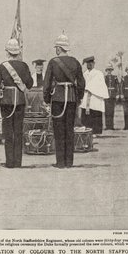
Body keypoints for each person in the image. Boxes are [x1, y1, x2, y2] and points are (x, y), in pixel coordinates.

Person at [43, 33, 85, 168]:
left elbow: (47, 84)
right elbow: (81, 84)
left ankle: (60, 162)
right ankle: (69, 162)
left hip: (58, 99)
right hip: (72, 98)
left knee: (59, 130)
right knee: (69, 130)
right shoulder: (76, 62)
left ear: (59, 49)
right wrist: (78, 97)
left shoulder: (53, 62)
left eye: (56, 47)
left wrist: (47, 99)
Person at [0, 39, 33, 168]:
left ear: (7, 52)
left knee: (8, 132)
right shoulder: (24, 66)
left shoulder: (3, 67)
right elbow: (30, 84)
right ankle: (18, 162)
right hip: (20, 101)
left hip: (7, 102)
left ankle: (10, 162)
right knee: (19, 131)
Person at [80, 56, 109, 136]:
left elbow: (100, 85)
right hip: (86, 96)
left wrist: (90, 88)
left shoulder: (98, 73)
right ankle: (87, 130)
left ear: (94, 64)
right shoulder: (85, 74)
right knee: (86, 113)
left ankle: (96, 131)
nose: (89, 65)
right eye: (88, 63)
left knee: (95, 113)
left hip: (95, 96)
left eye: (91, 63)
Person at [104, 62, 119, 130]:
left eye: (110, 70)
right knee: (107, 112)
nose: (109, 71)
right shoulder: (104, 78)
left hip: (112, 95)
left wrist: (117, 94)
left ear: (112, 70)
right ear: (106, 70)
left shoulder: (115, 77)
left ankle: (111, 126)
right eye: (108, 70)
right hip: (106, 95)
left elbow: (117, 86)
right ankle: (107, 126)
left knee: (112, 111)